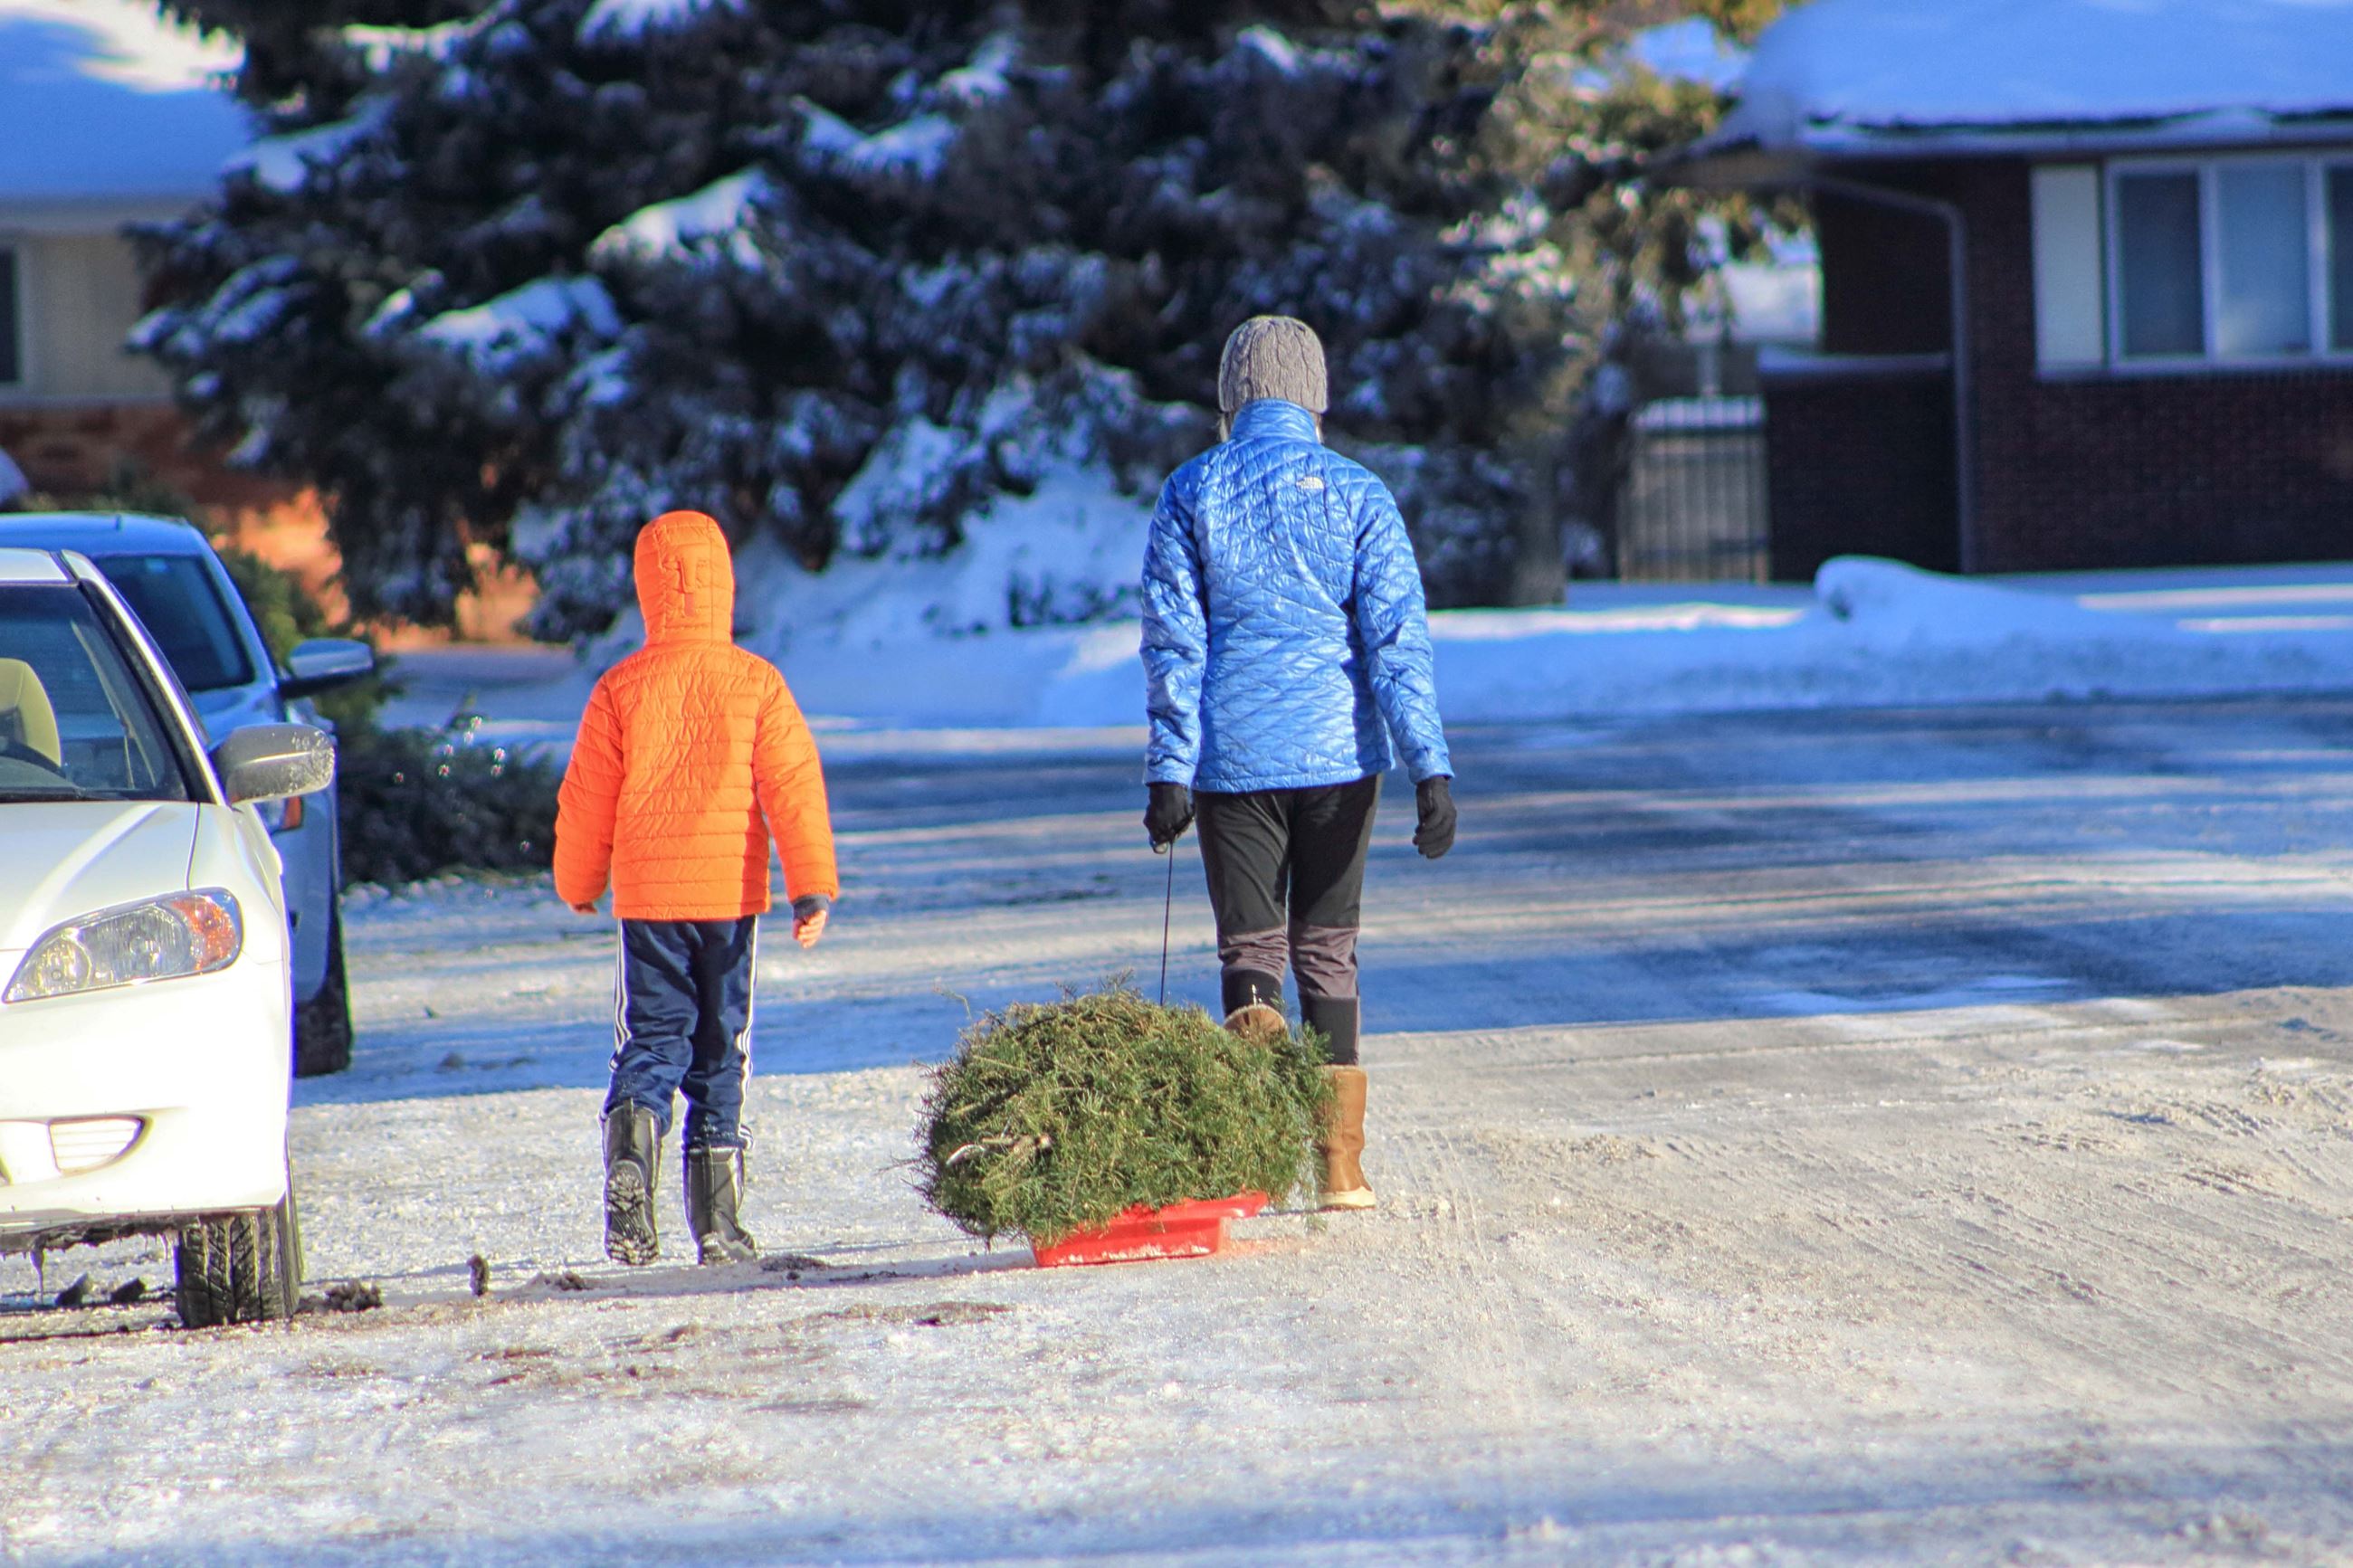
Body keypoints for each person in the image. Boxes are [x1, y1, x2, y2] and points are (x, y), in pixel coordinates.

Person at [1140, 315, 1455, 1213]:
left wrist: (1169, 765)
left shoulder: (1188, 491)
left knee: (1250, 947)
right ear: (1313, 396)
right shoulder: (1361, 495)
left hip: (1232, 760)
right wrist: (1428, 766)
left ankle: (1249, 1160)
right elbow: (1398, 644)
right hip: (1339, 760)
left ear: (1230, 396)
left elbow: (1174, 640)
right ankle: (1338, 1164)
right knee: (1327, 948)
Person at [554, 509, 838, 1267]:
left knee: (650, 1042)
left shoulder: (620, 687)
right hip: (728, 901)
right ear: (724, 586)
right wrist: (811, 887)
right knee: (721, 1052)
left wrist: (579, 879)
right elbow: (794, 788)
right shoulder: (757, 683)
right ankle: (719, 1225)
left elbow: (587, 797)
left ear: (648, 589)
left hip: (649, 903)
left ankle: (631, 1161)